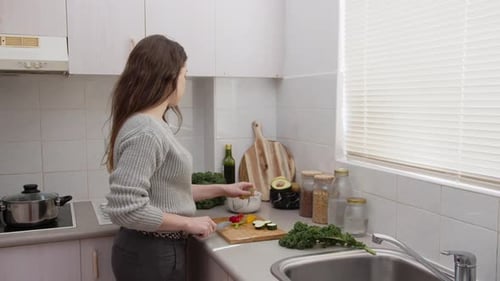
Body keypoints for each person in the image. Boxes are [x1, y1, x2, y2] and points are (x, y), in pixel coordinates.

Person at [104, 34, 253, 281]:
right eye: (185, 74)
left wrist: (224, 189)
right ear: (169, 78)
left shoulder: (151, 124)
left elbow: (167, 192)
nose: (185, 81)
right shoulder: (146, 131)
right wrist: (187, 224)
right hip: (150, 255)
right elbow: (125, 209)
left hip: (152, 251)